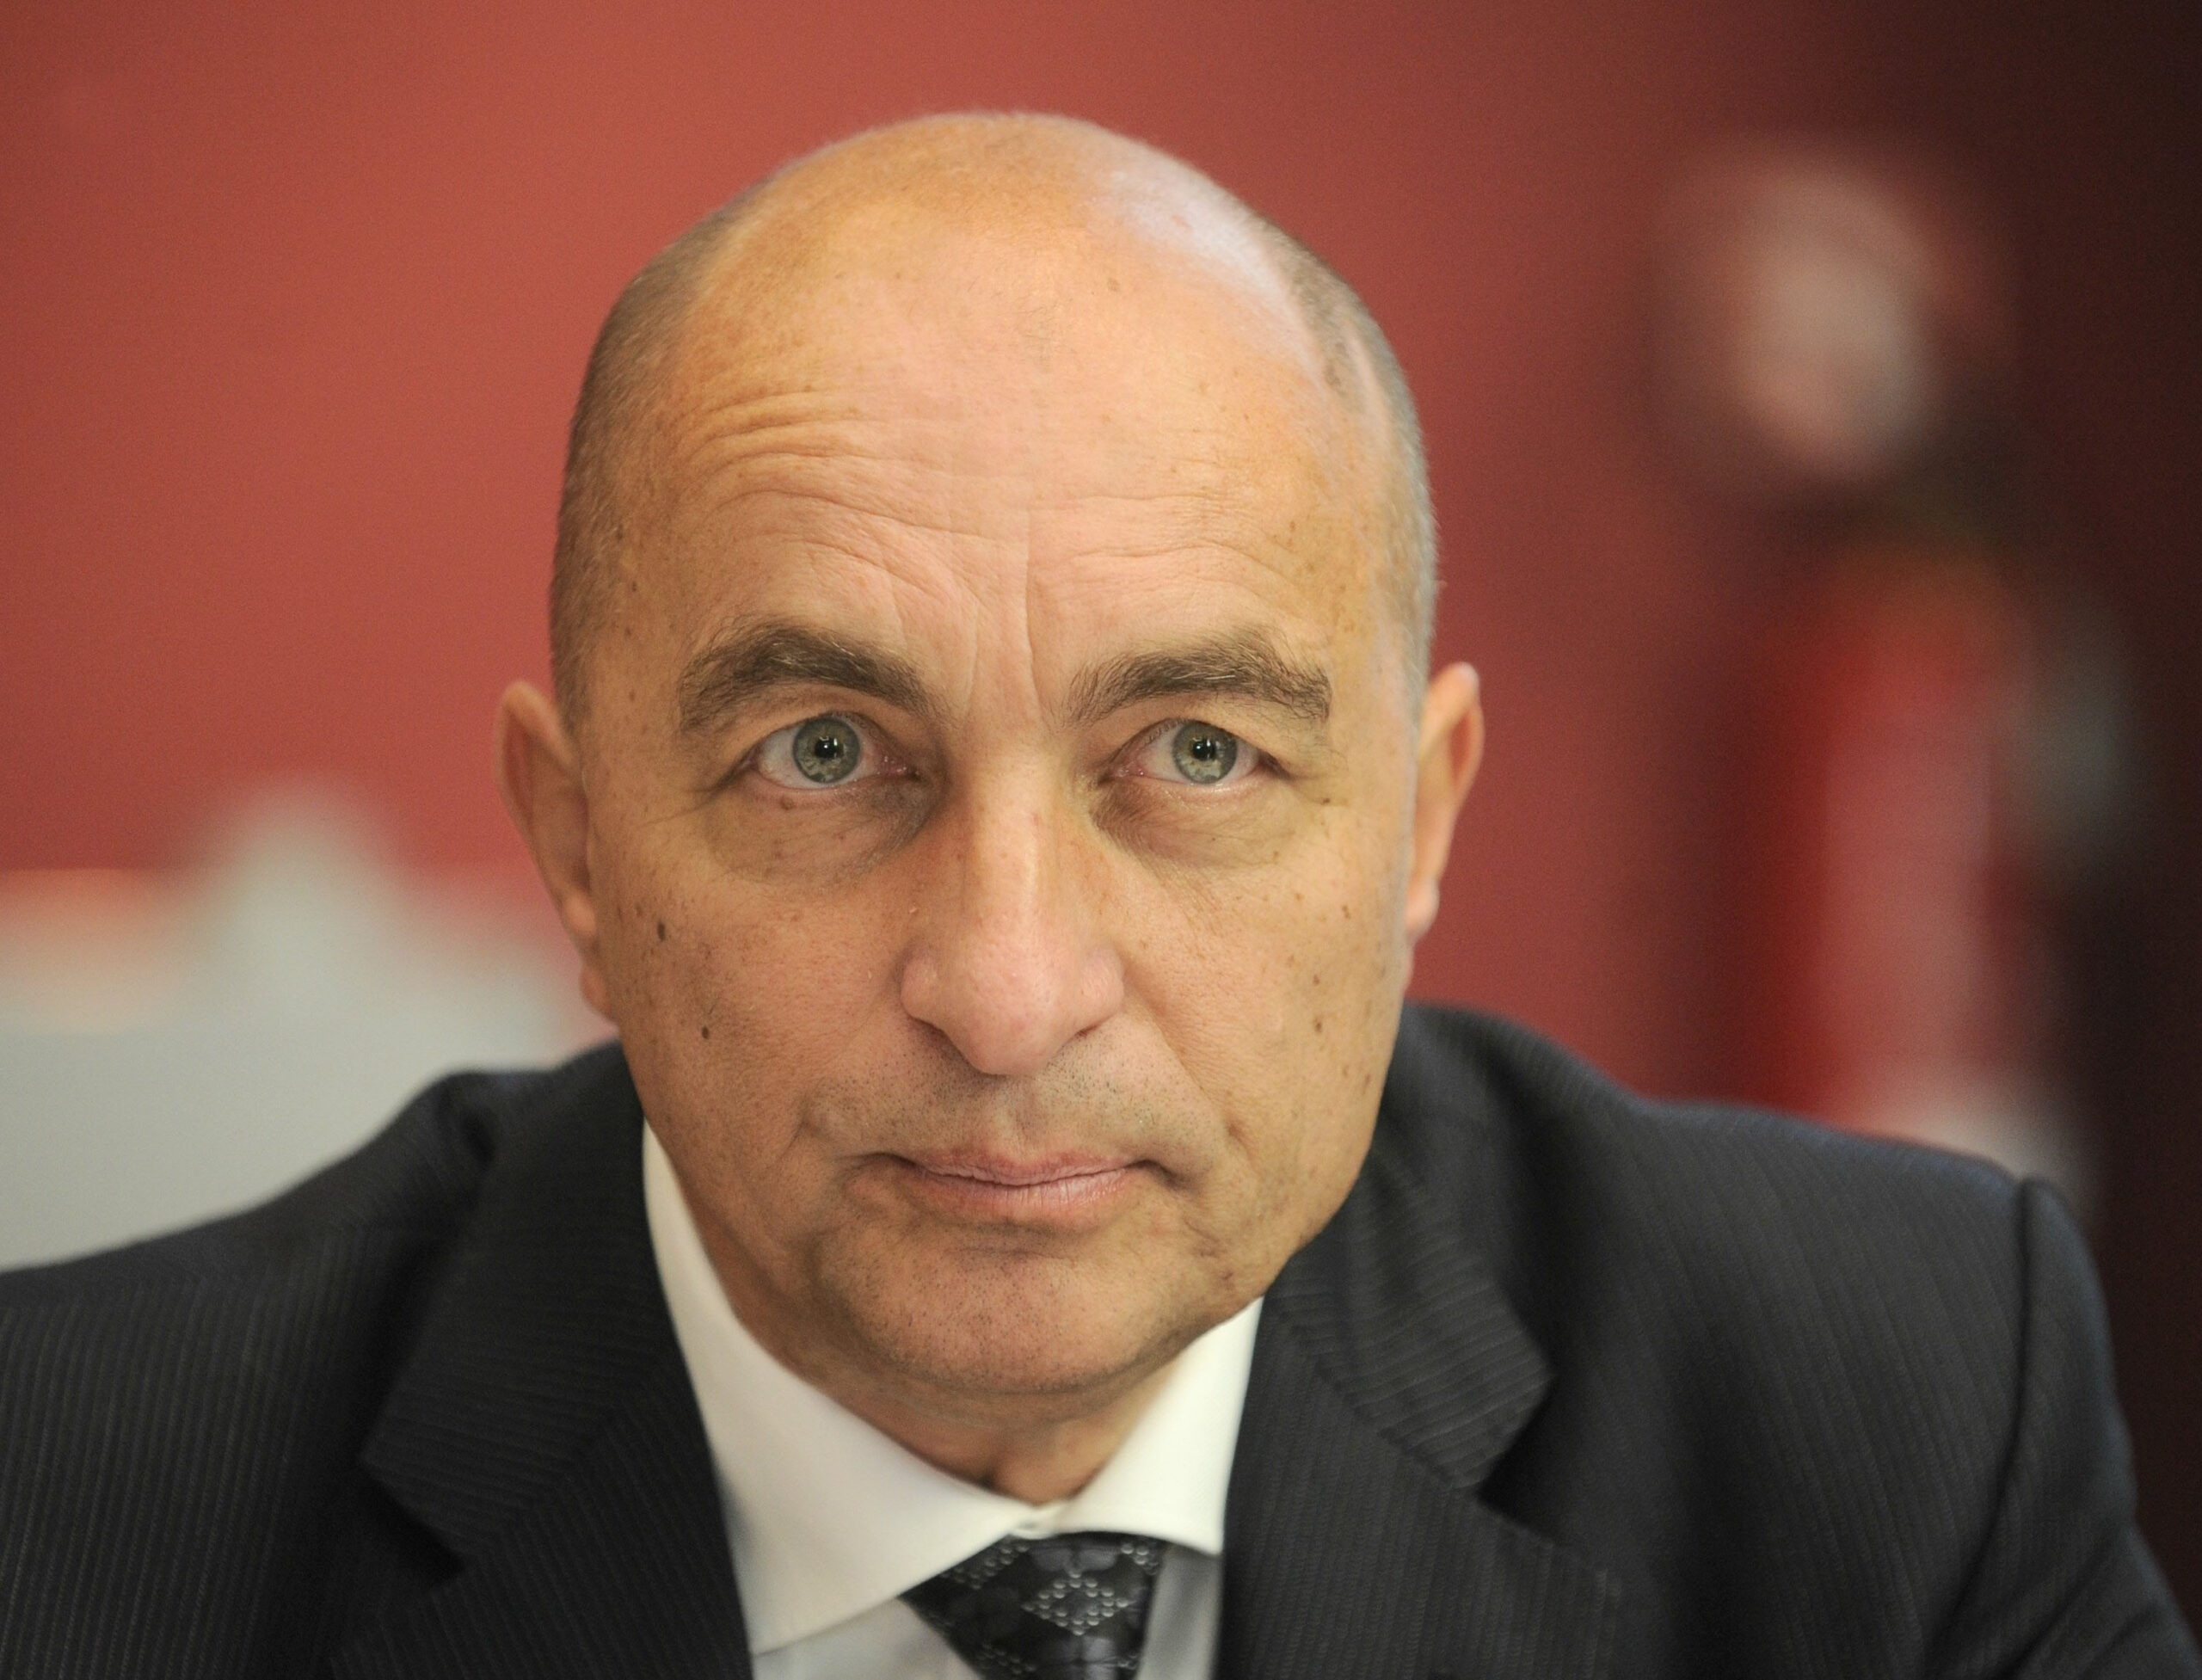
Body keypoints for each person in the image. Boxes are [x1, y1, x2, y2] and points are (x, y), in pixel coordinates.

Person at [0, 114, 2192, 1680]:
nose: (1009, 987)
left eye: (1198, 754)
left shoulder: (1896, 1408)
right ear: (579, 848)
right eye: (824, 752)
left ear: (1416, 826)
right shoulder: (65, 1524)